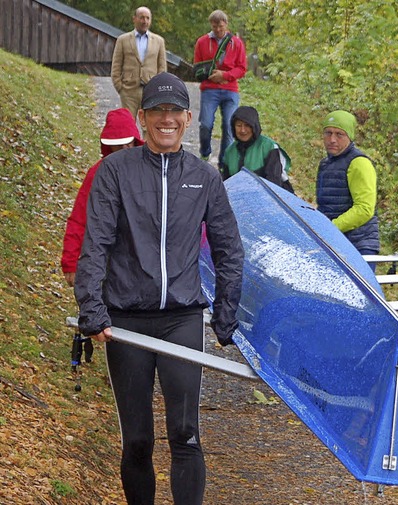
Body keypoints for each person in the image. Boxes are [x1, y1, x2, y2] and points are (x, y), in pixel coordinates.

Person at [74, 72, 244, 505]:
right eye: (157, 111)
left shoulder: (205, 177)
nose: (166, 119)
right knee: (137, 440)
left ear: (188, 118)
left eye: (174, 111)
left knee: (185, 435)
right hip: (126, 320)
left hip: (181, 320)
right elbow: (95, 243)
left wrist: (226, 310)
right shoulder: (115, 172)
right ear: (142, 117)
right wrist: (91, 307)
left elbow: (228, 247)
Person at [61, 108, 143, 287]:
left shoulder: (150, 168)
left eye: (127, 143)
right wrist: (71, 261)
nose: (123, 149)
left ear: (135, 140)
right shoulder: (97, 173)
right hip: (106, 260)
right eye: (118, 144)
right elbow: (79, 217)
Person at [316, 110, 380, 259]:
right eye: (328, 133)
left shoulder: (359, 163)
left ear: (349, 137)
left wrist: (331, 227)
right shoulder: (325, 164)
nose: (332, 139)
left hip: (359, 244)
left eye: (339, 134)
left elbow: (364, 209)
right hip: (333, 241)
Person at [193, 9, 247, 166]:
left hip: (230, 89)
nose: (217, 30)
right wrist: (209, 75)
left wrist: (225, 76)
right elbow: (197, 67)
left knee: (229, 126)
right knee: (206, 124)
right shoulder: (202, 42)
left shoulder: (236, 43)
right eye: (215, 26)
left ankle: (224, 163)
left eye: (221, 27)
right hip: (209, 89)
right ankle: (205, 152)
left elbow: (242, 68)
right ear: (211, 25)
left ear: (226, 25)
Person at [220, 105, 294, 193]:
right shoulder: (229, 152)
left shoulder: (269, 147)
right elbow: (226, 184)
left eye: (247, 125)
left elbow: (274, 183)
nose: (243, 130)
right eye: (239, 125)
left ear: (254, 127)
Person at [111, 6, 167, 119]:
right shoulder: (123, 40)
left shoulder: (159, 41)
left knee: (149, 125)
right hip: (128, 90)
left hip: (150, 90)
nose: (144, 21)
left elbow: (162, 67)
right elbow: (116, 65)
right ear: (134, 19)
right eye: (142, 18)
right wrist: (120, 87)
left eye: (147, 18)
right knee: (128, 124)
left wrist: (158, 88)